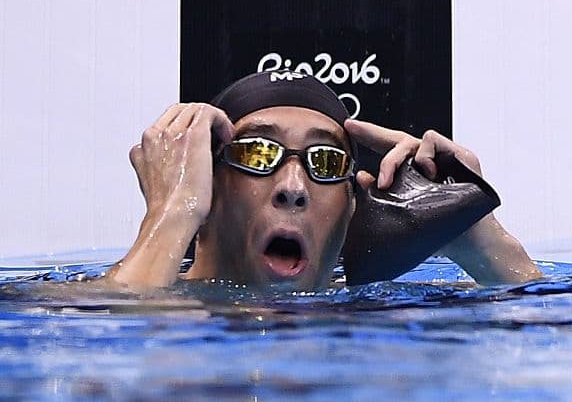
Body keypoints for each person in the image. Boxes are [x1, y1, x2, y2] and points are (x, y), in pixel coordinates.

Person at [106, 70, 540, 291]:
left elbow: (557, 348)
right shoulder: (68, 301)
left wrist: (482, 244)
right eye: (258, 153)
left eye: (327, 163)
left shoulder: (379, 314)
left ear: (352, 206)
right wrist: (171, 214)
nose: (293, 187)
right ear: (207, 188)